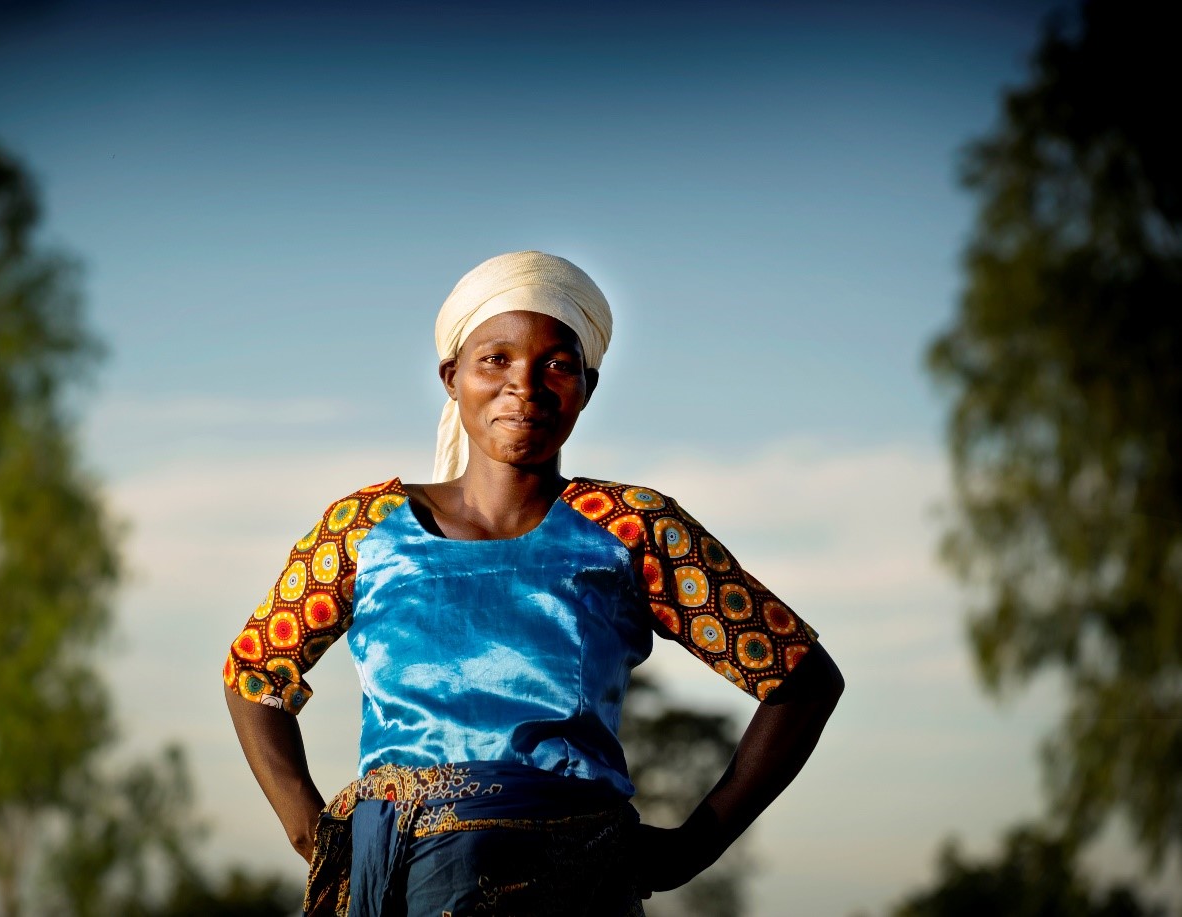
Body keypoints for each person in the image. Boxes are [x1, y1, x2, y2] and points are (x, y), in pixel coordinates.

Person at [224, 251, 844, 916]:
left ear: (588, 384)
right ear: (451, 377)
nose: (524, 384)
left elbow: (803, 680)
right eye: (495, 359)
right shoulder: (364, 527)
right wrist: (308, 827)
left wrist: (695, 845)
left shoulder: (631, 529)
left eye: (556, 362)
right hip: (392, 878)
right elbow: (254, 671)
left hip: (569, 879)